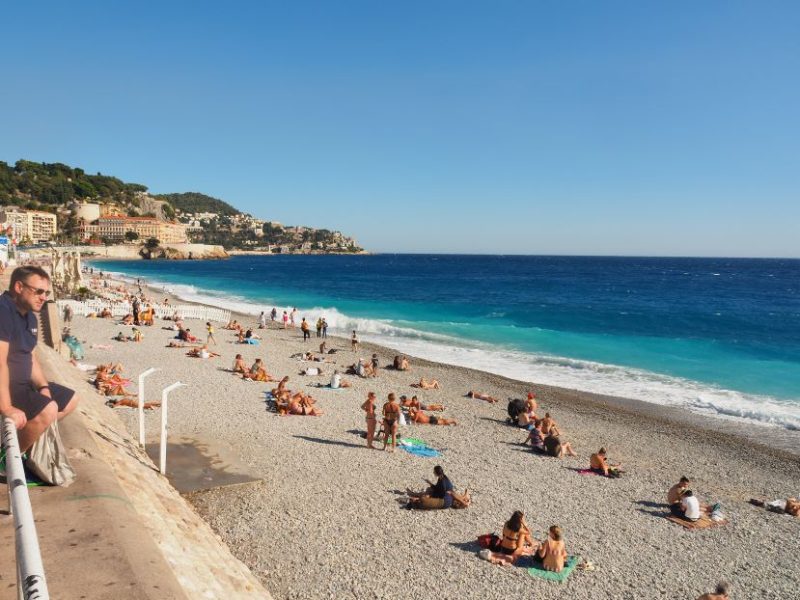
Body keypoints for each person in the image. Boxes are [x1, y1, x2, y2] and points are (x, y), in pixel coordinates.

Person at [0, 266, 80, 454]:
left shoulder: (30, 318)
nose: (44, 297)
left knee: (70, 399)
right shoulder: (3, 312)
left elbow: (31, 356)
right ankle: (7, 460)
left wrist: (43, 387)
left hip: (23, 386)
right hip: (7, 389)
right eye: (39, 291)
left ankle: (25, 443)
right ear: (19, 287)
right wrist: (7, 407)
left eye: (46, 292)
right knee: (48, 409)